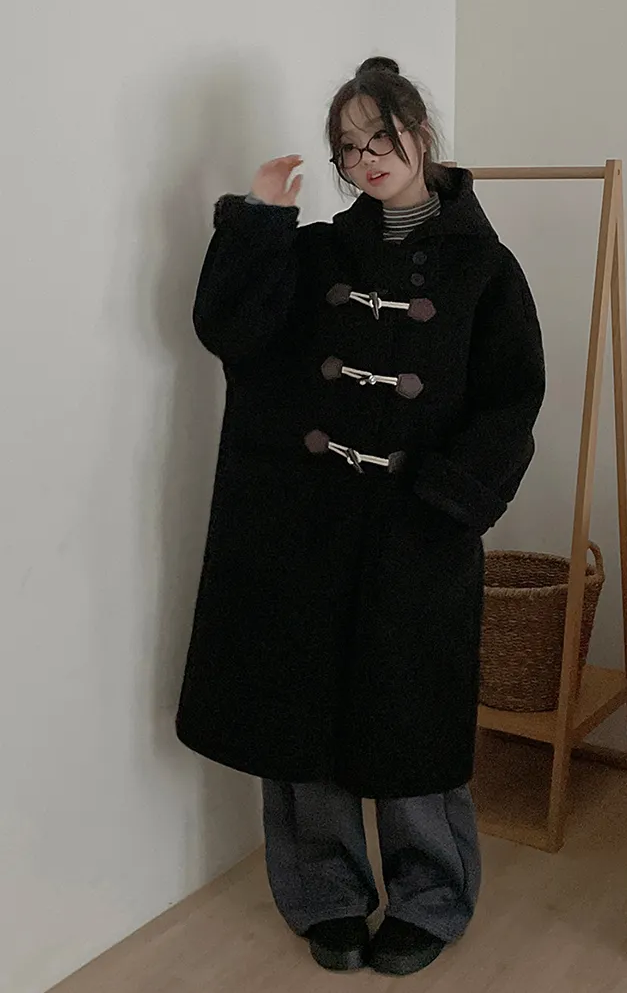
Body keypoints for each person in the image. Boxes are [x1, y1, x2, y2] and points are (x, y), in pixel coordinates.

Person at [176, 56, 545, 976]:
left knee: (408, 715)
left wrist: (449, 504)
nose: (368, 158)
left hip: (418, 530)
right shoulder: (317, 254)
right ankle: (325, 894)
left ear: (419, 133)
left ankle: (430, 896)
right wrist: (261, 220)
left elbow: (513, 401)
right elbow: (232, 332)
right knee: (304, 715)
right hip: (307, 524)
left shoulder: (486, 269)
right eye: (349, 146)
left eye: (382, 136)